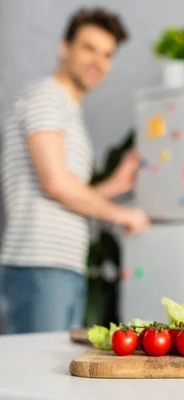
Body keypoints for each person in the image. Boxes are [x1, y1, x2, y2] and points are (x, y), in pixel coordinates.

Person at [0, 8, 150, 334]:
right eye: (89, 48)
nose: (98, 61)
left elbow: (65, 192)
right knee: (33, 377)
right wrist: (119, 214)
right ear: (64, 47)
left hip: (60, 265)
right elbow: (56, 184)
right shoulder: (46, 97)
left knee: (45, 376)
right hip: (37, 261)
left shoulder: (67, 111)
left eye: (107, 54)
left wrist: (114, 184)